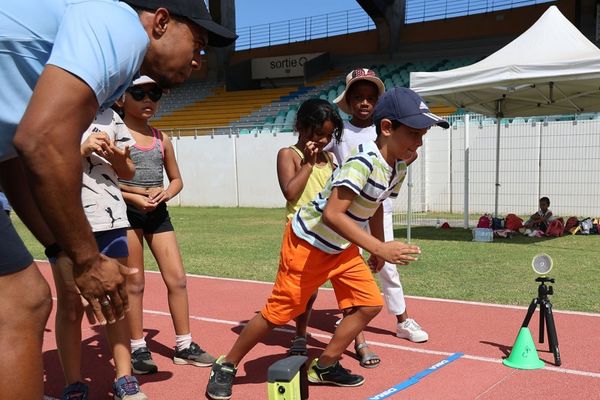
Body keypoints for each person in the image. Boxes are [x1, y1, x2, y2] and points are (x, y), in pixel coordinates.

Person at [0, 1, 235, 397]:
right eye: (197, 44)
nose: (197, 61)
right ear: (160, 22)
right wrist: (88, 260)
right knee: (23, 303)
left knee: (21, 301)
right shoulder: (122, 27)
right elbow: (41, 143)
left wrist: (62, 250)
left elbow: (10, 159)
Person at [205, 87, 449, 400]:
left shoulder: (398, 167)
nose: (419, 143)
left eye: (423, 135)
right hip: (307, 244)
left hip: (340, 248)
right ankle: (226, 365)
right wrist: (378, 248)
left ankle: (324, 366)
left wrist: (379, 245)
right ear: (387, 128)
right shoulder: (361, 162)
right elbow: (334, 214)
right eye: (415, 134)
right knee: (278, 313)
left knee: (370, 304)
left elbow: (374, 204)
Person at [118, 76, 215, 374]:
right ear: (122, 99)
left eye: (154, 93)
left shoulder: (162, 139)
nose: (148, 99)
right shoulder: (115, 136)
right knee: (134, 284)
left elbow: (176, 180)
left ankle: (184, 345)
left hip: (158, 213)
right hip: (126, 213)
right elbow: (105, 183)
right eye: (139, 93)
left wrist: (166, 193)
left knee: (178, 279)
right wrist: (134, 197)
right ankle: (137, 348)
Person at [52, 108, 147, 400]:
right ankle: (74, 383)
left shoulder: (111, 117)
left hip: (111, 220)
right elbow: (44, 164)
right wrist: (80, 149)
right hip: (64, 220)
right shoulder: (55, 109)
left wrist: (119, 158)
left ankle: (125, 377)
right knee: (71, 305)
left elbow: (129, 170)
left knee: (115, 297)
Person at [329, 68, 429, 343]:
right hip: (345, 210)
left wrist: (398, 164)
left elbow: (403, 157)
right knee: (344, 264)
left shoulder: (387, 130)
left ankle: (402, 320)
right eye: (358, 97)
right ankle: (349, 313)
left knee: (387, 262)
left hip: (376, 206)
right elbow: (319, 152)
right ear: (348, 102)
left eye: (370, 97)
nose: (364, 102)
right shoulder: (338, 132)